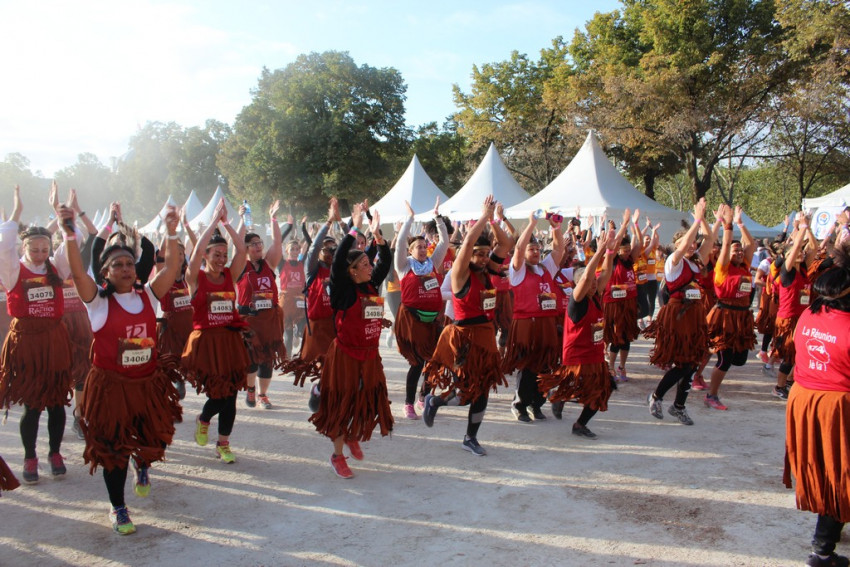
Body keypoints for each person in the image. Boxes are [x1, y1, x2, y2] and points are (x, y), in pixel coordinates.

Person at [60, 202, 182, 535]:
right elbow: (77, 271)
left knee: (150, 438)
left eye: (130, 263)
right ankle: (118, 508)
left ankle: (142, 464)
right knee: (112, 450)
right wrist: (69, 233)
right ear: (106, 273)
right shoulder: (97, 302)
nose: (126, 268)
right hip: (111, 387)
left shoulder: (149, 296)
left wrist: (172, 232)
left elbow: (172, 268)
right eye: (118, 264)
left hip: (146, 385)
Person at [421, 196, 509, 456]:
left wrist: (493, 221)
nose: (483, 258)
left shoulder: (487, 271)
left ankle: (470, 437)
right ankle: (435, 400)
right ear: (467, 254)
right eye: (478, 254)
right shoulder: (460, 273)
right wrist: (482, 217)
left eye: (485, 254)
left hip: (486, 336)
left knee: (482, 389)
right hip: (464, 338)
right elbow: (468, 241)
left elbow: (506, 244)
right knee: (466, 392)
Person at [309, 209, 393, 479]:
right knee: (341, 406)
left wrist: (377, 235)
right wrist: (353, 229)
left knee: (363, 401)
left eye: (370, 263)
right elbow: (335, 267)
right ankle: (337, 455)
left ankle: (351, 435)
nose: (371, 266)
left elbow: (386, 261)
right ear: (352, 271)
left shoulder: (371, 285)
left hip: (369, 356)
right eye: (365, 264)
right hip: (345, 356)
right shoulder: (344, 291)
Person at [0, 185, 73, 484]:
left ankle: (55, 452)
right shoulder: (13, 270)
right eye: (35, 249)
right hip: (27, 343)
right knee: (32, 404)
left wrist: (65, 217)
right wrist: (16, 214)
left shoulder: (56, 267)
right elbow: (4, 245)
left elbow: (71, 245)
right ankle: (30, 456)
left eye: (45, 248)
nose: (41, 254)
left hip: (54, 340)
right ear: (24, 248)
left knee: (56, 402)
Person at [784, 244, 850, 567]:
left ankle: (823, 548)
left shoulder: (809, 315)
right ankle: (822, 550)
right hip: (835, 407)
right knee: (841, 475)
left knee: (833, 476)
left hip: (805, 400)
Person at [182, 199, 250, 463]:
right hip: (207, 344)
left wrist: (227, 225)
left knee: (231, 395)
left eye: (224, 255)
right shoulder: (195, 278)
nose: (222, 260)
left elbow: (241, 252)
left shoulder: (229, 276)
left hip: (230, 341)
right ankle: (204, 418)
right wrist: (212, 224)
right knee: (217, 395)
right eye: (216, 255)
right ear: (207, 257)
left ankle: (223, 444)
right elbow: (196, 251)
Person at [645, 199, 715, 426]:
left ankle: (679, 406)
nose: (692, 245)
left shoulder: (695, 264)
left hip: (694, 315)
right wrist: (695, 221)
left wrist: (708, 220)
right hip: (678, 317)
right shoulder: (673, 262)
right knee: (684, 363)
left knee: (693, 363)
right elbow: (684, 246)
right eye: (687, 242)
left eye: (694, 242)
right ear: (676, 245)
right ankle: (656, 397)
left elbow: (711, 240)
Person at [540, 229, 615, 438]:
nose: (594, 285)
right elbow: (587, 277)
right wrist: (598, 251)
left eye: (595, 283)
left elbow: (605, 274)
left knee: (604, 389)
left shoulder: (596, 296)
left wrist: (609, 252)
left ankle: (580, 424)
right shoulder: (577, 299)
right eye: (589, 282)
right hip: (577, 355)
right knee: (580, 387)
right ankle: (560, 395)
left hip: (595, 354)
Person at [503, 211, 564, 422]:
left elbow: (558, 249)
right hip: (526, 324)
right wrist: (530, 225)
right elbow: (518, 248)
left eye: (538, 249)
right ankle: (519, 404)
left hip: (547, 323)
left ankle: (536, 404)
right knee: (527, 366)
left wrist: (555, 227)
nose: (536, 252)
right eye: (532, 249)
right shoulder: (517, 270)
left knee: (545, 364)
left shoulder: (544, 267)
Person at [393, 198, 448, 420]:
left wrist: (437, 217)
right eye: (419, 247)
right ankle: (408, 403)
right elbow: (398, 245)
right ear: (411, 250)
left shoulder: (433, 264)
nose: (423, 250)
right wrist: (410, 219)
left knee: (431, 363)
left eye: (425, 247)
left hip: (432, 321)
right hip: (412, 321)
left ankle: (423, 397)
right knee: (416, 363)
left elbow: (444, 241)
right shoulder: (404, 266)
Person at [703, 205, 756, 410]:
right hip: (724, 316)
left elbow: (750, 243)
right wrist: (728, 224)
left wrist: (741, 223)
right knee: (724, 358)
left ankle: (698, 373)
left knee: (738, 360)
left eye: (741, 250)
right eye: (736, 250)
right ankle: (711, 395)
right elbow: (726, 244)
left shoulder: (745, 265)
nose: (740, 252)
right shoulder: (722, 267)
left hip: (741, 318)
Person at [237, 201, 285, 410]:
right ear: (245, 249)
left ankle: (263, 395)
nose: (258, 246)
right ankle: (250, 389)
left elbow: (277, 242)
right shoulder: (240, 266)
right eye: (253, 244)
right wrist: (241, 221)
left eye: (259, 243)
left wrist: (273, 217)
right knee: (251, 360)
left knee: (267, 359)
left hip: (269, 319)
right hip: (249, 319)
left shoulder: (269, 264)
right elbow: (236, 244)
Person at [771, 214, 817, 400]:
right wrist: (801, 228)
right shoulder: (787, 272)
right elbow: (797, 246)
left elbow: (813, 247)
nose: (800, 253)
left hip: (802, 317)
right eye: (795, 252)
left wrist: (809, 227)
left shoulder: (804, 270)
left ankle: (789, 381)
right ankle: (779, 386)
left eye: (800, 252)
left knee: (799, 353)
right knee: (790, 354)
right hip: (788, 318)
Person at [603, 209, 643, 382]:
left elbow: (639, 244)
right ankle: (611, 367)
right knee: (616, 337)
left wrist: (635, 225)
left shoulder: (629, 261)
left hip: (629, 303)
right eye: (624, 250)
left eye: (628, 250)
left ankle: (622, 366)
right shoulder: (613, 260)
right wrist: (624, 224)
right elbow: (616, 242)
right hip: (614, 304)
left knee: (627, 337)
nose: (627, 253)